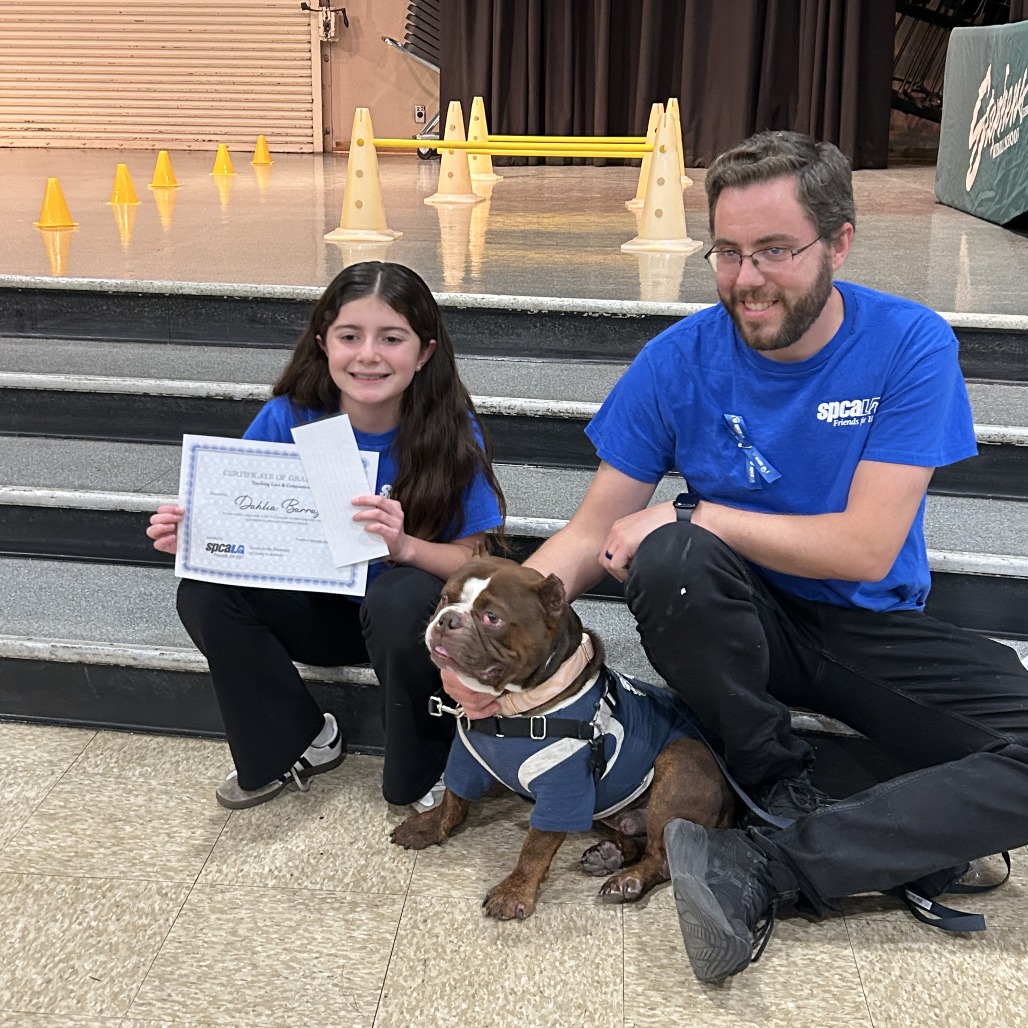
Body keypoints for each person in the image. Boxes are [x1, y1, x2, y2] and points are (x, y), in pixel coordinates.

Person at [444, 131, 1028, 982]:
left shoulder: (909, 344)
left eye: (775, 250)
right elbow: (592, 531)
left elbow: (866, 548)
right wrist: (489, 634)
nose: (747, 279)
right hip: (732, 627)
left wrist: (696, 509)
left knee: (682, 531)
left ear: (839, 243)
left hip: (867, 626)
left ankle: (774, 859)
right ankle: (774, 780)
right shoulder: (677, 360)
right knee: (672, 557)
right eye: (727, 252)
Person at [147, 261, 505, 811]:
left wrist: (405, 547)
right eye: (349, 336)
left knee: (402, 593)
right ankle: (298, 740)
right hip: (316, 611)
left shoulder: (450, 430)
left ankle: (425, 765)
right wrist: (197, 538)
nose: (369, 355)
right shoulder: (288, 419)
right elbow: (239, 518)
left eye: (392, 338)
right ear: (323, 343)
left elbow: (477, 559)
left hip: (405, 625)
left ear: (424, 352)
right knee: (204, 592)